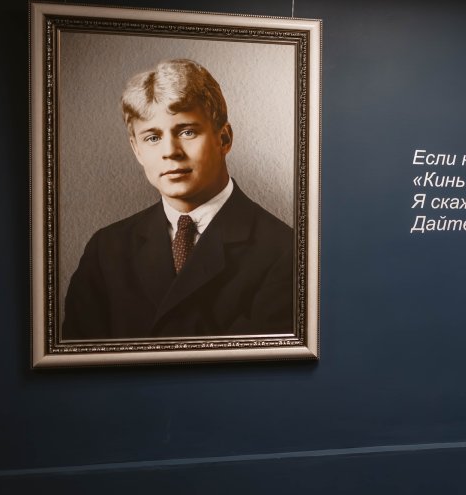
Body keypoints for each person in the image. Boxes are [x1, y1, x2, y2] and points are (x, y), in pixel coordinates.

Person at [62, 59, 294, 340]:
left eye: (187, 132)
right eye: (152, 137)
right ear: (136, 149)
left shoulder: (284, 251)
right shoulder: (106, 250)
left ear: (223, 139)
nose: (170, 151)